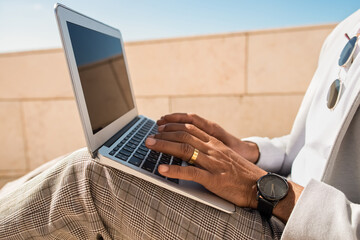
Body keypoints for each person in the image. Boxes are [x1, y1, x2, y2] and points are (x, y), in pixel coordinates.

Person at [1, 9, 360, 240]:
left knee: (89, 179)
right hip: (279, 200)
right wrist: (250, 151)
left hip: (297, 227)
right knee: (96, 157)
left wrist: (262, 188)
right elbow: (306, 146)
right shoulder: (345, 29)